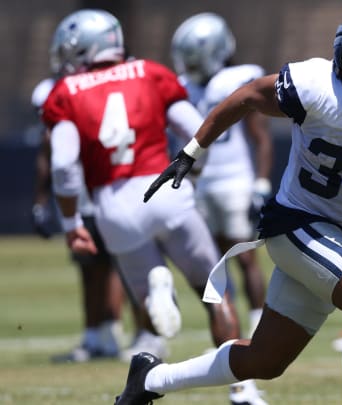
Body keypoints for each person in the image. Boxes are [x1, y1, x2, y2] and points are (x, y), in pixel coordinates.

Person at [115, 1, 342, 404]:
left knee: (265, 360)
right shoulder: (314, 86)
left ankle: (150, 379)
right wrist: (191, 151)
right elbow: (247, 96)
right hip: (296, 223)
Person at [42, 9, 267, 404]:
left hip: (114, 206)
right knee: (215, 293)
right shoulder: (149, 72)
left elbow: (63, 164)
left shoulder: (65, 91)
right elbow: (196, 126)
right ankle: (243, 390)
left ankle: (157, 293)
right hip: (164, 190)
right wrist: (193, 177)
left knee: (148, 309)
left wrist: (70, 221)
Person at [171, 12, 272, 340]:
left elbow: (261, 137)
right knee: (215, 264)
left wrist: (260, 182)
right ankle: (230, 334)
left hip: (234, 181)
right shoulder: (185, 87)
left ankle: (258, 327)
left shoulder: (238, 80)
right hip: (200, 185)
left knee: (245, 260)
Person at [31, 70, 128, 363]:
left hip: (107, 185)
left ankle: (113, 332)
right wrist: (42, 198)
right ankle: (94, 335)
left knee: (114, 264)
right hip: (84, 191)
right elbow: (48, 150)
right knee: (89, 266)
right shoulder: (51, 90)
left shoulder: (106, 84)